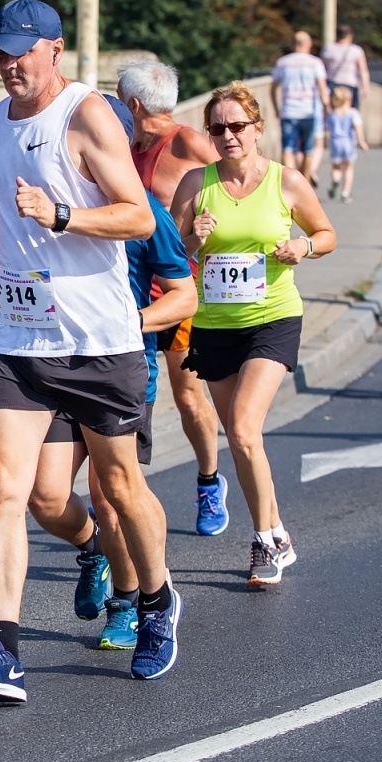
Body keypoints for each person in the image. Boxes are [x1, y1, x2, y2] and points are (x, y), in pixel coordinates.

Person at [0, 0, 179, 704]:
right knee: (11, 493)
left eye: (22, 49)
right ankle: (4, 651)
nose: (9, 63)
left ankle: (160, 601)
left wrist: (63, 214)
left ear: (54, 50)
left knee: (120, 490)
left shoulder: (87, 114)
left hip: (98, 343)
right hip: (15, 341)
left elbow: (137, 213)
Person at [171, 83, 338, 586]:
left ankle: (265, 542)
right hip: (216, 324)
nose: (227, 136)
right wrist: (193, 239)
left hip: (273, 318)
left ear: (258, 129)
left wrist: (304, 247)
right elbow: (174, 254)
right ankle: (278, 531)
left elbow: (328, 234)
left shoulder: (287, 182)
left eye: (237, 126)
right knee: (244, 442)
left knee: (243, 429)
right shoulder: (196, 184)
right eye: (217, 128)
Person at [23, 190, 198, 653]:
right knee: (45, 498)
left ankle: (129, 602)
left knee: (112, 495)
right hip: (53, 369)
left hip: (117, 373)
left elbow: (184, 298)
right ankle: (94, 547)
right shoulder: (47, 203)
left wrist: (132, 322)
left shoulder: (143, 210)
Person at [115, 60, 230, 536]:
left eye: (122, 100)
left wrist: (203, 228)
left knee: (187, 395)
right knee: (126, 396)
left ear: (134, 103)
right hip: (132, 292)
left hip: (179, 290)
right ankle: (121, 495)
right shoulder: (124, 145)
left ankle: (208, 482)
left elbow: (229, 191)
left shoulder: (188, 142)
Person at [270, 31, 331, 181]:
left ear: (293, 45)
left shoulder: (283, 62)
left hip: (288, 111)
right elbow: (323, 89)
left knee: (288, 149)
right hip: (308, 112)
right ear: (309, 45)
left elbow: (272, 88)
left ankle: (290, 181)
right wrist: (327, 109)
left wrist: (276, 109)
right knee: (308, 150)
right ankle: (304, 182)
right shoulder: (315, 63)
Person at [325, 85, 369, 202]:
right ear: (349, 99)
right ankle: (345, 193)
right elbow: (358, 128)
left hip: (335, 142)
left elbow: (327, 128)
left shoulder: (332, 114)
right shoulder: (353, 113)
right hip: (348, 143)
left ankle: (335, 179)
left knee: (336, 166)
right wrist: (362, 142)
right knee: (348, 168)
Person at [321, 25, 371, 112]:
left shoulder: (328, 50)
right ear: (350, 36)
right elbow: (363, 70)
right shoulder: (356, 50)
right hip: (350, 84)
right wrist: (365, 87)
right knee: (351, 113)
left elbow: (322, 70)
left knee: (333, 113)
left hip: (333, 84)